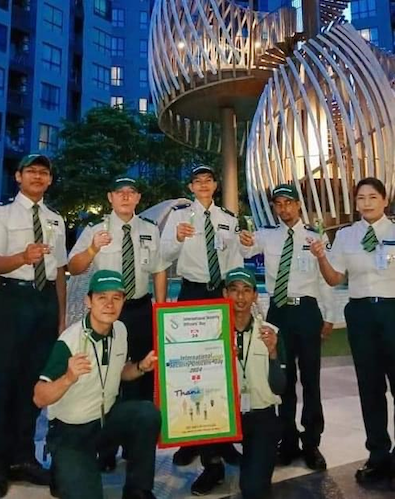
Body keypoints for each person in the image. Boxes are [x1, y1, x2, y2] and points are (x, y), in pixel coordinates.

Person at [0, 154, 67, 498]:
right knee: (5, 384)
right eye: (31, 171)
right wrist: (22, 257)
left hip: (45, 302)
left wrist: (60, 317)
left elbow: (59, 270)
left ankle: (24, 458)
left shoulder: (55, 218)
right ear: (18, 176)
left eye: (44, 173)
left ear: (50, 180)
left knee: (35, 384)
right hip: (12, 300)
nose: (37, 176)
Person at [33, 270, 161, 499]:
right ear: (88, 301)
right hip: (70, 432)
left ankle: (137, 489)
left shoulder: (120, 330)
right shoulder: (70, 342)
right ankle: (61, 468)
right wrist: (68, 377)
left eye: (116, 298)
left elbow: (120, 372)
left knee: (147, 413)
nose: (110, 305)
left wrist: (141, 367)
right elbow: (39, 397)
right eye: (102, 297)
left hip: (104, 420)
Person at [68, 176, 167, 470]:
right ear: (110, 197)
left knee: (142, 376)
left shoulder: (149, 230)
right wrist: (92, 249)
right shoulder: (95, 230)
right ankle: (106, 448)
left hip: (140, 310)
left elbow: (159, 269)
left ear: (138, 198)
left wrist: (160, 309)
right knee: (108, 377)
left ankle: (136, 445)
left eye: (131, 192)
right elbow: (74, 267)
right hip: (108, 314)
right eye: (119, 192)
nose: (125, 197)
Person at [160, 165, 243, 493]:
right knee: (190, 370)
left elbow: (234, 260)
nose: (204, 185)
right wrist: (177, 239)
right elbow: (163, 254)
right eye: (198, 181)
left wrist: (236, 297)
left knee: (220, 370)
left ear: (215, 185)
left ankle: (222, 440)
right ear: (191, 187)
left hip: (219, 293)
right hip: (192, 293)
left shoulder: (228, 219)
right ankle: (193, 441)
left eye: (209, 180)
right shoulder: (179, 217)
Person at [239, 183, 333, 471]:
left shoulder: (315, 236)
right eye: (278, 204)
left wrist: (329, 315)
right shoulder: (267, 235)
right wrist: (242, 238)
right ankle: (288, 441)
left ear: (298, 205)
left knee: (311, 380)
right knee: (282, 379)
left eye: (288, 203)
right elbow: (246, 248)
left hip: (307, 310)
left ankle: (312, 442)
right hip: (278, 313)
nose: (284, 208)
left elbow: (324, 279)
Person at [310, 177, 395, 487]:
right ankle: (378, 455)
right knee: (370, 388)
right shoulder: (346, 236)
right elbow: (334, 279)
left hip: (392, 311)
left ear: (385, 200)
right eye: (361, 198)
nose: (367, 203)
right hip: (360, 315)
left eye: (373, 197)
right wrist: (321, 257)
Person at [223, 267, 286, 499]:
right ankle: (213, 465)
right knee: (200, 421)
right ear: (225, 294)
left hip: (261, 415)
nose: (240, 296)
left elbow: (280, 387)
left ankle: (255, 462)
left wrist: (272, 353)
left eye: (246, 290)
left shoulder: (271, 334)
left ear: (255, 296)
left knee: (253, 489)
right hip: (225, 415)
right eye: (234, 290)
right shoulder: (212, 334)